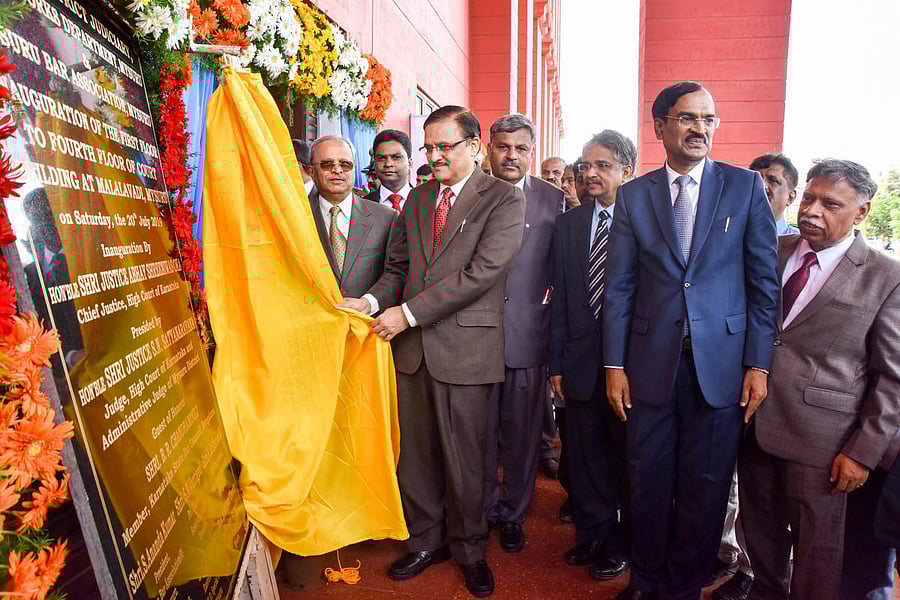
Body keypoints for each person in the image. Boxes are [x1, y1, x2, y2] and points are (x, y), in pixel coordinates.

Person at [603, 81, 779, 600]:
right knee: (648, 481)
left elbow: (763, 284)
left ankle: (682, 587)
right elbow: (621, 287)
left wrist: (758, 365)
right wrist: (614, 364)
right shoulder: (635, 195)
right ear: (660, 127)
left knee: (705, 487)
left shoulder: (744, 187)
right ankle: (646, 579)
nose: (699, 128)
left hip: (721, 368)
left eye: (708, 118)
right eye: (687, 118)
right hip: (648, 365)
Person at [356, 105, 525, 598]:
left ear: (474, 146)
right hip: (412, 352)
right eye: (427, 147)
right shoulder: (419, 199)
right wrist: (369, 301)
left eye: (442, 147)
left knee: (467, 460)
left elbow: (479, 276)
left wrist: (406, 314)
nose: (432, 156)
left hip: (466, 350)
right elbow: (397, 269)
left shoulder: (503, 200)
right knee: (418, 456)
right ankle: (426, 540)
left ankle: (471, 549)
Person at [739, 159, 900, 600]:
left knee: (818, 554)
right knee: (759, 533)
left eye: (831, 204)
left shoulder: (888, 276)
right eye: (809, 197)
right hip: (753, 424)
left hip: (826, 444)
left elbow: (893, 380)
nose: (812, 210)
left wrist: (863, 453)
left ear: (862, 212)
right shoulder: (774, 250)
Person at [550, 130, 636, 583]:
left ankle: (623, 543)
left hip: (632, 371)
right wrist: (557, 364)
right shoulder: (568, 224)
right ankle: (594, 535)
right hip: (579, 367)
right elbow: (562, 298)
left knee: (626, 461)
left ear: (627, 170)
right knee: (584, 459)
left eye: (602, 165)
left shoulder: (645, 221)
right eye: (586, 165)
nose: (590, 173)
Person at [481, 114, 561, 554]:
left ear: (531, 152)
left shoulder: (553, 199)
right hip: (472, 340)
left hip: (529, 337)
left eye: (520, 148)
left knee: (522, 435)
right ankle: (483, 511)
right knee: (478, 437)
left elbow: (560, 272)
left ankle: (512, 514)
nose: (511, 155)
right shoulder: (469, 194)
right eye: (503, 146)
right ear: (488, 148)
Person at [750, 153, 800, 235]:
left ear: (790, 197)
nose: (762, 186)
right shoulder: (728, 236)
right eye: (756, 180)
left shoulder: (802, 244)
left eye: (773, 181)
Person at [367, 129, 413, 211]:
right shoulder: (363, 206)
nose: (388, 164)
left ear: (410, 163)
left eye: (396, 157)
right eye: (381, 158)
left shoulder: (427, 202)